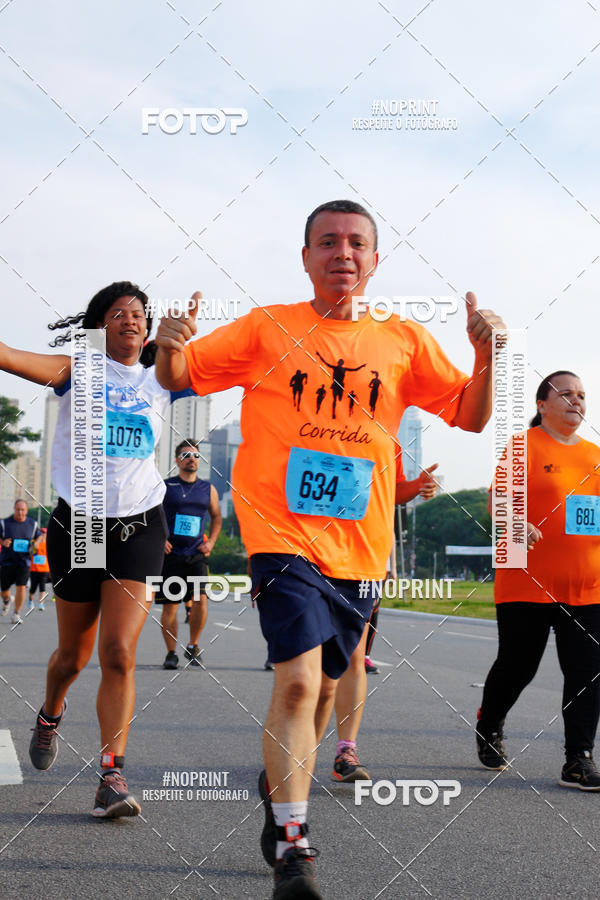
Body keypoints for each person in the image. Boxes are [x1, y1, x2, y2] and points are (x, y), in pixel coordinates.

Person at [155, 199, 504, 899]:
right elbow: (178, 376)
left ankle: (278, 789)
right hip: (282, 538)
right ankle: (294, 847)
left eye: (356, 243)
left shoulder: (402, 339)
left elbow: (469, 415)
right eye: (327, 241)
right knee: (297, 682)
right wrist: (169, 342)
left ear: (374, 259)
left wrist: (487, 355)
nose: (342, 252)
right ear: (306, 256)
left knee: (322, 694)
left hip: (362, 548)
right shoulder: (267, 327)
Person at [0, 281, 192, 818]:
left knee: (119, 652)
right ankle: (50, 713)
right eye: (118, 314)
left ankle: (111, 774)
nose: (130, 320)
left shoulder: (162, 378)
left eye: (139, 315)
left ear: (148, 329)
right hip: (79, 528)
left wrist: (182, 339)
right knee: (72, 657)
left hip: (139, 526)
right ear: (99, 326)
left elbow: (237, 365)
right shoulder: (76, 371)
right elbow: (9, 356)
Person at [476, 371, 600, 790]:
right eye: (566, 394)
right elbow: (497, 500)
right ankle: (490, 722)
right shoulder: (522, 446)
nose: (576, 400)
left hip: (587, 584)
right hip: (525, 579)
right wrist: (516, 521)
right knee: (518, 666)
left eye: (581, 395)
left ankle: (578, 759)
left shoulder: (595, 456)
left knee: (586, 671)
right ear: (542, 405)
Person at [332, 451, 439, 782]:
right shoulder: (303, 422)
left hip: (361, 559)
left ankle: (345, 751)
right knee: (305, 663)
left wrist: (417, 486)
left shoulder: (385, 434)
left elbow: (391, 494)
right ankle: (293, 747)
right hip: (305, 550)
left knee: (354, 657)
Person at [155, 438, 222, 669]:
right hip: (171, 555)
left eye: (195, 456)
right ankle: (171, 653)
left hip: (197, 555)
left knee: (201, 600)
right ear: (177, 460)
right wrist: (160, 539)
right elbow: (151, 514)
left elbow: (217, 517)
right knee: (171, 606)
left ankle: (193, 645)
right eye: (186, 455)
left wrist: (211, 542)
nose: (191, 459)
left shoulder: (208, 489)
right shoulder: (166, 486)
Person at [0, 499, 42, 624]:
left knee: (21, 587)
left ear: (26, 511)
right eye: (18, 509)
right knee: (4, 591)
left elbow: (39, 536)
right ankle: (7, 600)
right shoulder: (4, 523)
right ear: (14, 509)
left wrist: (37, 543)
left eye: (23, 510)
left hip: (24, 561)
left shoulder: (32, 524)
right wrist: (3, 542)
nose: (20, 512)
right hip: (7, 561)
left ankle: (16, 614)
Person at [28, 525, 50, 612]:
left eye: (45, 533)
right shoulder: (33, 542)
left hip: (44, 569)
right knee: (33, 587)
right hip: (34, 569)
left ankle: (41, 603)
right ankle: (30, 600)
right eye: (42, 533)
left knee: (42, 587)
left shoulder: (48, 544)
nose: (43, 534)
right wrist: (38, 541)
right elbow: (31, 552)